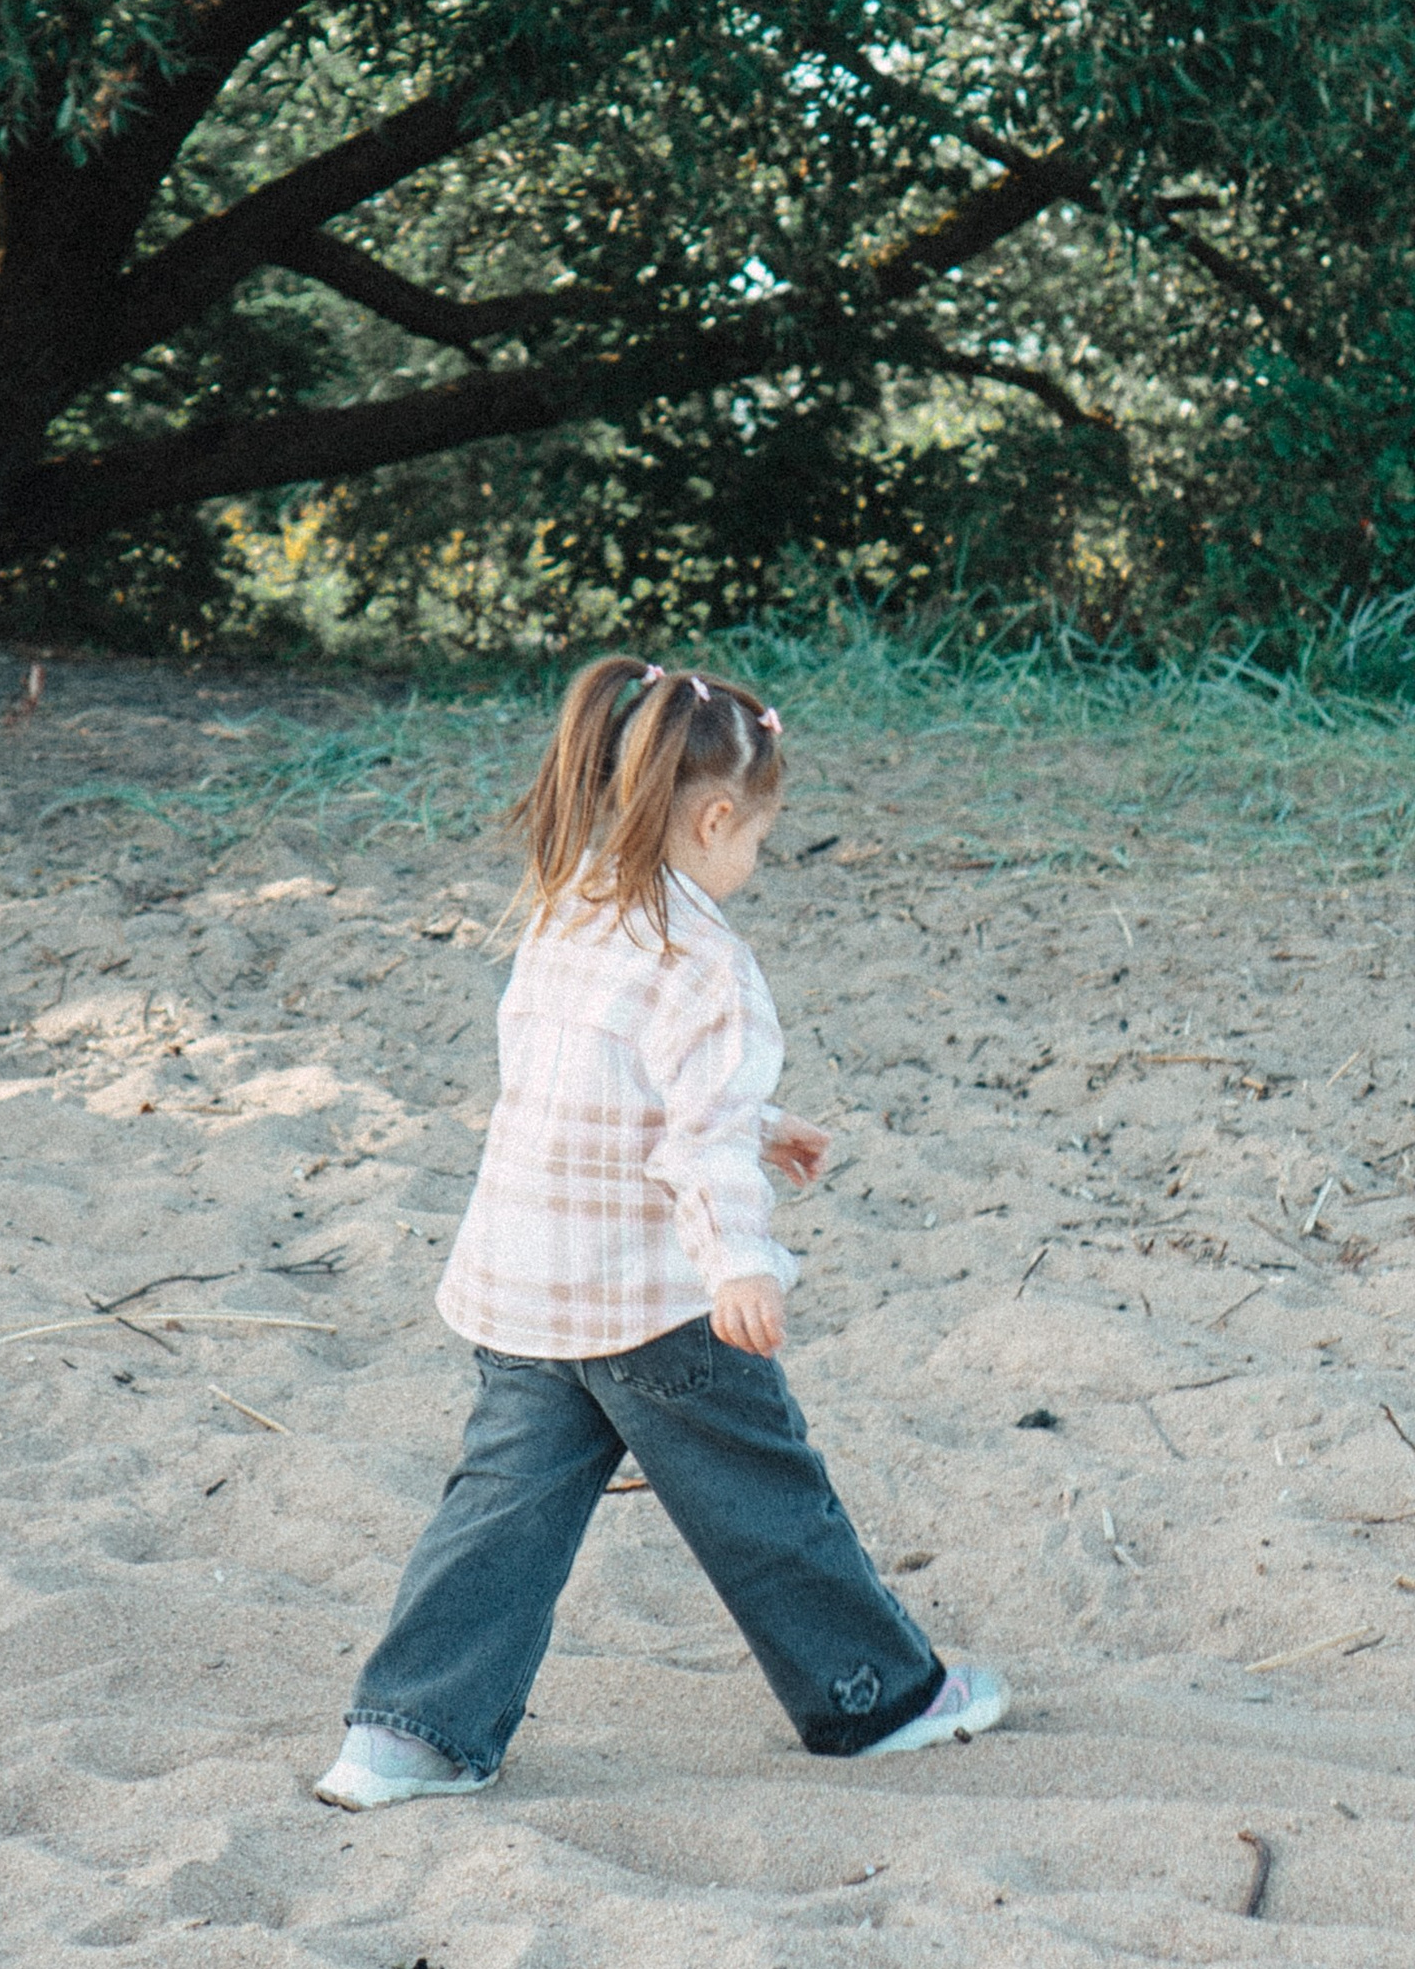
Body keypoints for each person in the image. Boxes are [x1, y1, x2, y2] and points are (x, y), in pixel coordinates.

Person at [316, 654, 1009, 1810]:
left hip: (527, 1288)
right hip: (653, 1301)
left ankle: (408, 1734)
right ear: (719, 814)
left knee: (499, 1510)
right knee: (762, 1495)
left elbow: (595, 1088)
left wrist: (760, 1119)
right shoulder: (708, 966)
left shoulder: (569, 907)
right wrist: (740, 1263)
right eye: (759, 840)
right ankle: (874, 1697)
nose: (754, 865)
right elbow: (692, 1148)